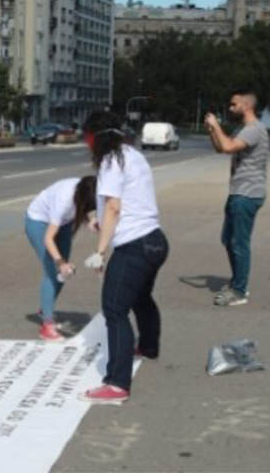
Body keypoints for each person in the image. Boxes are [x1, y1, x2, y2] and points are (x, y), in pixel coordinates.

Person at [77, 111, 169, 406]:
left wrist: (100, 252)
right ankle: (149, 346)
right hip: (155, 240)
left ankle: (117, 383)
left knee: (114, 310)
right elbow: (124, 205)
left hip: (134, 246)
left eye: (87, 138)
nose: (86, 144)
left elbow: (114, 207)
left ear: (96, 137)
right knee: (141, 297)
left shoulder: (110, 161)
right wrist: (101, 225)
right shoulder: (133, 154)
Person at [204, 89, 269, 307]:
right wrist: (213, 130)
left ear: (247, 106)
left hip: (247, 194)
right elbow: (221, 148)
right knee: (228, 240)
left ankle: (239, 291)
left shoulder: (253, 130)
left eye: (234, 105)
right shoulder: (244, 129)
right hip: (238, 192)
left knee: (239, 243)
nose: (231, 108)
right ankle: (236, 283)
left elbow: (229, 146)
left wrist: (217, 126)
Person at [24, 176, 97, 341]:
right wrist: (60, 262)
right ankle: (46, 327)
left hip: (63, 223)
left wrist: (90, 220)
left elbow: (81, 207)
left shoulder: (88, 187)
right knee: (53, 271)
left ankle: (45, 308)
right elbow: (48, 239)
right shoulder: (63, 201)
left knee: (63, 274)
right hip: (38, 222)